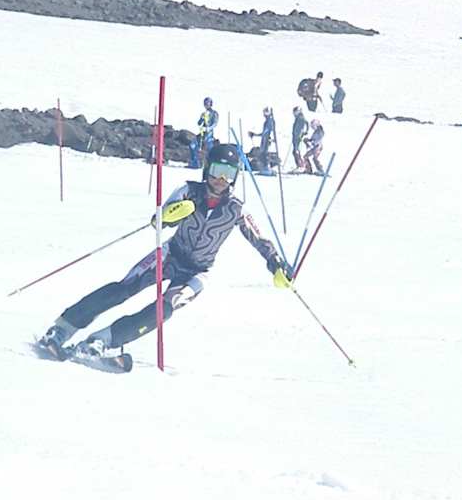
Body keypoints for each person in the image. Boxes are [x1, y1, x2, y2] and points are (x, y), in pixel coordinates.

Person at [36, 144, 295, 361]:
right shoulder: (189, 191)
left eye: (228, 174)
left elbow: (260, 239)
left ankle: (102, 341)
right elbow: (159, 219)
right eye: (217, 171)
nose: (221, 180)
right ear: (207, 169)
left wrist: (276, 263)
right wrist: (172, 215)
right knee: (124, 289)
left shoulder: (236, 209)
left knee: (164, 309)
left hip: (197, 272)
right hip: (169, 255)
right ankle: (62, 329)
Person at [188, 97, 219, 168]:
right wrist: (202, 119)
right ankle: (195, 162)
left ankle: (208, 164)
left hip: (209, 134)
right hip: (202, 133)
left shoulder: (214, 113)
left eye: (208, 104)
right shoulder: (204, 113)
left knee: (209, 148)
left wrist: (209, 128)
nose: (207, 106)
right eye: (206, 104)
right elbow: (199, 123)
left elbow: (215, 123)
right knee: (193, 146)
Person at [248, 107, 276, 175]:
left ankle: (266, 168)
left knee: (264, 154)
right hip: (264, 139)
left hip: (266, 140)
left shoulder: (270, 121)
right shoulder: (268, 121)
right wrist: (255, 134)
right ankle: (265, 168)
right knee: (262, 154)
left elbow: (266, 132)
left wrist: (270, 138)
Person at [290, 106, 309, 172]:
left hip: (298, 137)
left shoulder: (300, 118)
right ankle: (299, 165)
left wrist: (302, 134)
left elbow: (301, 128)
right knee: (295, 151)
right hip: (296, 136)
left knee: (296, 151)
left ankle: (301, 165)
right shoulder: (299, 118)